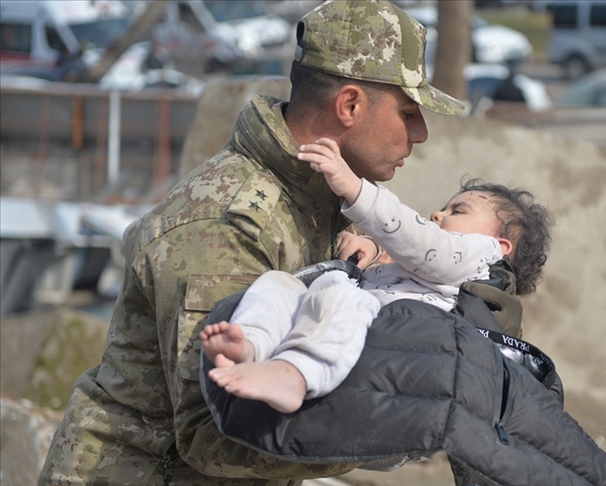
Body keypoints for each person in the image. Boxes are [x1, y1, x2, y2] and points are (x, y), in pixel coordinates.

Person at [38, 1, 466, 483]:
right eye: (408, 112)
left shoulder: (319, 198)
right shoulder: (227, 225)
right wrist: (413, 427)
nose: (420, 133)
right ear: (349, 106)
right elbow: (212, 432)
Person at [199, 135, 552, 414]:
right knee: (281, 284)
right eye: (444, 207)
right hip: (351, 325)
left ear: (500, 246)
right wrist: (373, 253)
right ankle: (251, 343)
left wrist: (355, 189)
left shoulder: (481, 256)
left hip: (391, 347)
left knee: (343, 296)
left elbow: (425, 247)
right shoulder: (440, 265)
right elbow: (411, 265)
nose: (437, 214)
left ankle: (295, 375)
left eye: (458, 210)